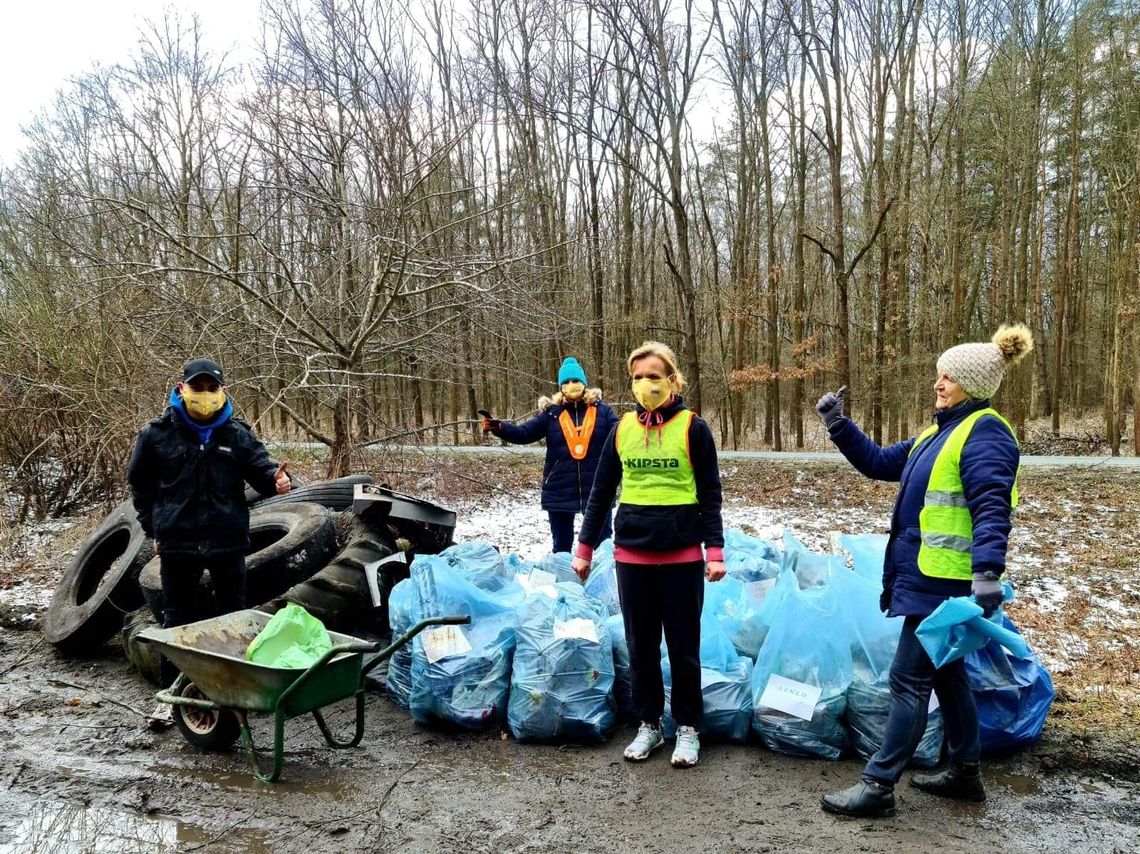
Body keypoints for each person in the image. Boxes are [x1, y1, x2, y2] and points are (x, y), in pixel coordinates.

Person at [817, 325, 1033, 818]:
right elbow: (877, 462)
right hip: (923, 573)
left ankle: (878, 785)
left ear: (973, 386)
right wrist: (838, 424)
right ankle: (965, 773)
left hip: (946, 580)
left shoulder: (986, 433)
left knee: (908, 678)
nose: (939, 384)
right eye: (939, 375)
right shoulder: (938, 433)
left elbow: (992, 507)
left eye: (949, 377)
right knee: (947, 675)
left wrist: (987, 574)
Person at [570, 342, 725, 769]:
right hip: (632, 557)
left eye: (653, 376)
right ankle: (650, 723)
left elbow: (710, 495)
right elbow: (601, 493)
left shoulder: (694, 428)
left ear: (672, 380)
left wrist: (715, 551)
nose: (644, 385)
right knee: (641, 647)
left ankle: (689, 726)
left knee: (683, 647)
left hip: (683, 559)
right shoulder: (621, 429)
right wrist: (583, 549)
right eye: (637, 378)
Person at [128, 358, 291, 727]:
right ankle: (170, 697)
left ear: (223, 392)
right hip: (178, 543)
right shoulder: (155, 434)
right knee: (176, 620)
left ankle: (236, 694)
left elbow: (264, 473)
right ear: (181, 388)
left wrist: (278, 481)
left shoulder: (237, 435)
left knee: (233, 616)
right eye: (197, 388)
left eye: (210, 388)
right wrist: (154, 529)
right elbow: (141, 485)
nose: (204, 396)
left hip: (227, 541)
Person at [483, 356, 619, 553]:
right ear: (561, 387)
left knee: (602, 547)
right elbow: (524, 433)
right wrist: (499, 427)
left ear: (585, 384)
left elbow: (621, 434)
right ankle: (564, 583)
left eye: (576, 381)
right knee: (561, 548)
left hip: (598, 489)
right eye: (567, 382)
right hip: (559, 489)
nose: (572, 385)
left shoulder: (603, 411)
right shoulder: (551, 414)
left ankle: (601, 583)